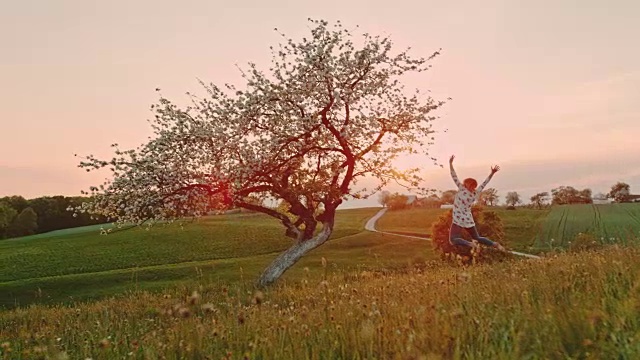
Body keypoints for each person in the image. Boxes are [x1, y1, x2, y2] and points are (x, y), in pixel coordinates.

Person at [448, 155, 506, 252]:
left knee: (453, 240)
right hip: (468, 220)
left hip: (458, 219)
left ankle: (470, 244)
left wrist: (450, 164)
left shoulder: (461, 188)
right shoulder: (476, 193)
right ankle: (494, 244)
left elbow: (454, 175)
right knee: (478, 237)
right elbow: (485, 183)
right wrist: (492, 173)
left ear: (466, 184)